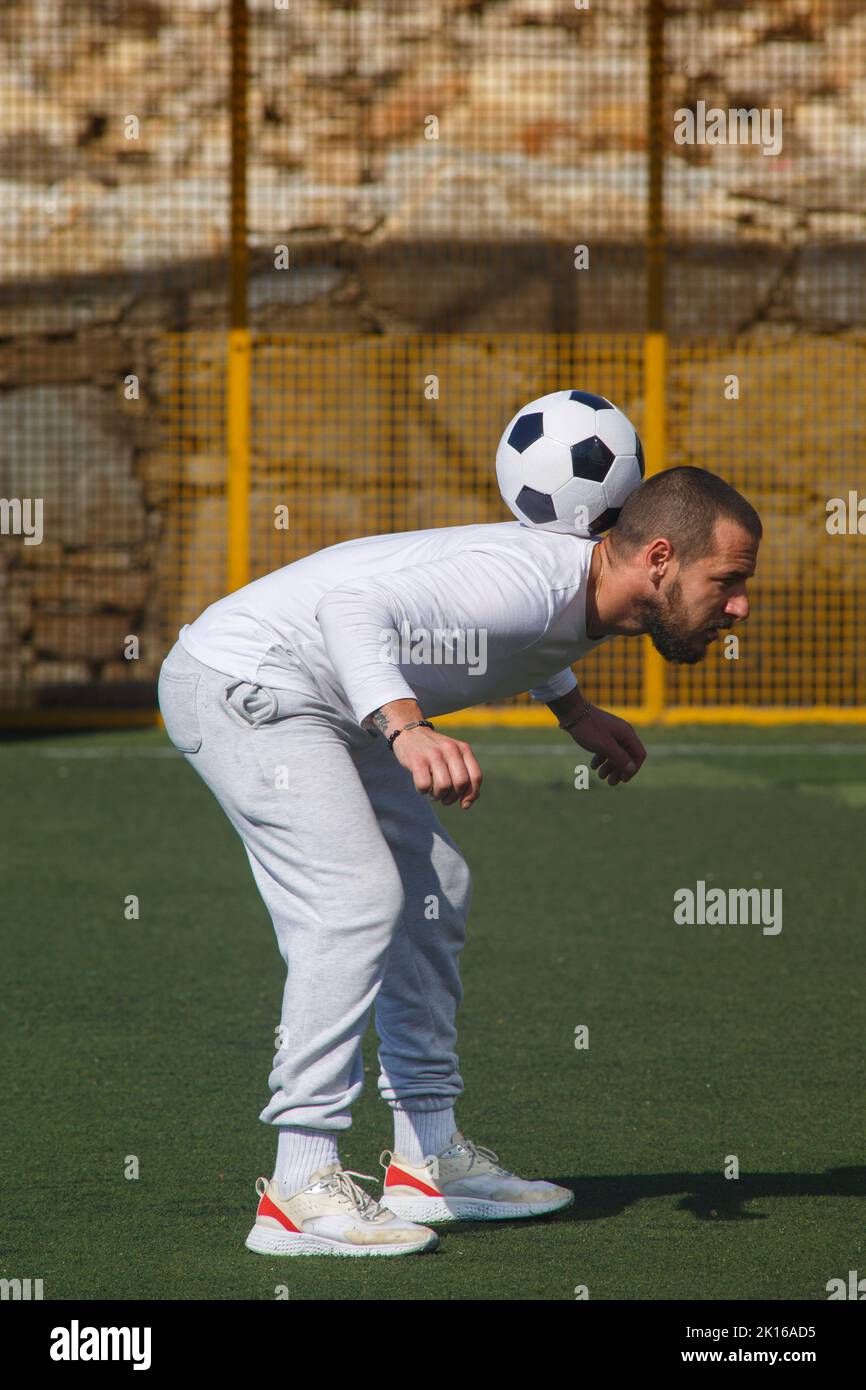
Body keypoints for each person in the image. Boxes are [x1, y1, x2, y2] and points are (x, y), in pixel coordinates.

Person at [157, 465, 761, 1257]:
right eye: (729, 579)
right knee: (356, 900)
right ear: (657, 558)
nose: (742, 603)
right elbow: (354, 606)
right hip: (248, 686)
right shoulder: (534, 582)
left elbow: (513, 633)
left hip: (329, 697)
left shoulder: (580, 584)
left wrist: (573, 711)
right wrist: (408, 728)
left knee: (433, 888)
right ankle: (299, 1185)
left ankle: (428, 1159)